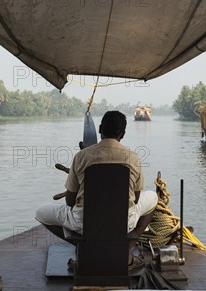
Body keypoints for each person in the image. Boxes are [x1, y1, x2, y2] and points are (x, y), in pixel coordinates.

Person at [35, 110, 157, 268]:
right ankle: (126, 251)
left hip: (84, 223)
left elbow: (70, 201)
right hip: (123, 221)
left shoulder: (81, 157)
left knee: (41, 212)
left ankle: (83, 248)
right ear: (123, 134)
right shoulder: (133, 157)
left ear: (100, 129)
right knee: (153, 197)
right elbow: (136, 198)